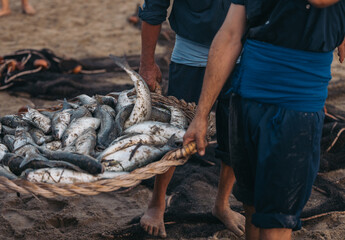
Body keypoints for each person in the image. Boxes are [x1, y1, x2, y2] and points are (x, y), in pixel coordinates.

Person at [184, 0, 345, 239]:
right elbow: (229, 35)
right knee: (252, 207)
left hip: (294, 108)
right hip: (245, 100)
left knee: (276, 219)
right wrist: (201, 115)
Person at [138, 0, 245, 238]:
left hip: (241, 53)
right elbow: (154, 6)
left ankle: (222, 204)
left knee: (235, 133)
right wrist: (146, 63)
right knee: (175, 132)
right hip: (191, 52)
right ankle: (157, 203)